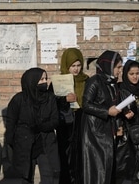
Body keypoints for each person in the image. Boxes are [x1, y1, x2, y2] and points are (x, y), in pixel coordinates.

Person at [80, 50, 133, 184]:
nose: (120, 71)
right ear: (108, 66)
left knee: (109, 167)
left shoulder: (113, 83)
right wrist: (106, 111)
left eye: (120, 67)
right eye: (118, 67)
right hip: (95, 133)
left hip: (109, 130)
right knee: (98, 169)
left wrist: (124, 112)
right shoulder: (95, 81)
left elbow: (114, 104)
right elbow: (85, 104)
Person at [5, 67, 60, 184]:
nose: (45, 82)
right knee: (25, 177)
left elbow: (55, 120)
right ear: (32, 81)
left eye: (46, 78)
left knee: (49, 176)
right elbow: (11, 122)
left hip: (45, 143)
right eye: (41, 79)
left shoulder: (49, 98)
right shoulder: (19, 99)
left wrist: (42, 126)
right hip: (24, 144)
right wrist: (12, 142)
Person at [54, 48, 89, 184]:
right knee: (65, 159)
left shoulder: (86, 81)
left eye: (78, 65)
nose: (76, 69)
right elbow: (51, 104)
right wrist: (64, 100)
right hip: (65, 126)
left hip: (82, 123)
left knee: (81, 158)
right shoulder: (57, 82)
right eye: (72, 66)